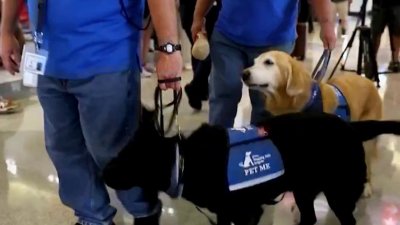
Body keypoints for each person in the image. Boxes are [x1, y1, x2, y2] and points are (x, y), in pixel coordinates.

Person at [1, 1, 182, 225]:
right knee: (64, 148)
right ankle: (92, 216)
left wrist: (169, 48)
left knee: (115, 150)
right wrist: (7, 30)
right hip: (49, 57)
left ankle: (143, 209)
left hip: (107, 57)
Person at [192, 0, 337, 127]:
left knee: (267, 103)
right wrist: (198, 17)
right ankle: (218, 148)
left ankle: (263, 150)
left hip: (275, 41)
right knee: (225, 91)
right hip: (228, 37)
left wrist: (327, 24)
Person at [180, 0, 220, 110]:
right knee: (207, 53)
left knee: (199, 50)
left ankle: (200, 88)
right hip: (195, 12)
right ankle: (196, 87)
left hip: (209, 11)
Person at [371, 0, 400, 72]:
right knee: (376, 31)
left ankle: (395, 60)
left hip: (397, 3)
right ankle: (372, 60)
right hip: (379, 3)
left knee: (397, 31)